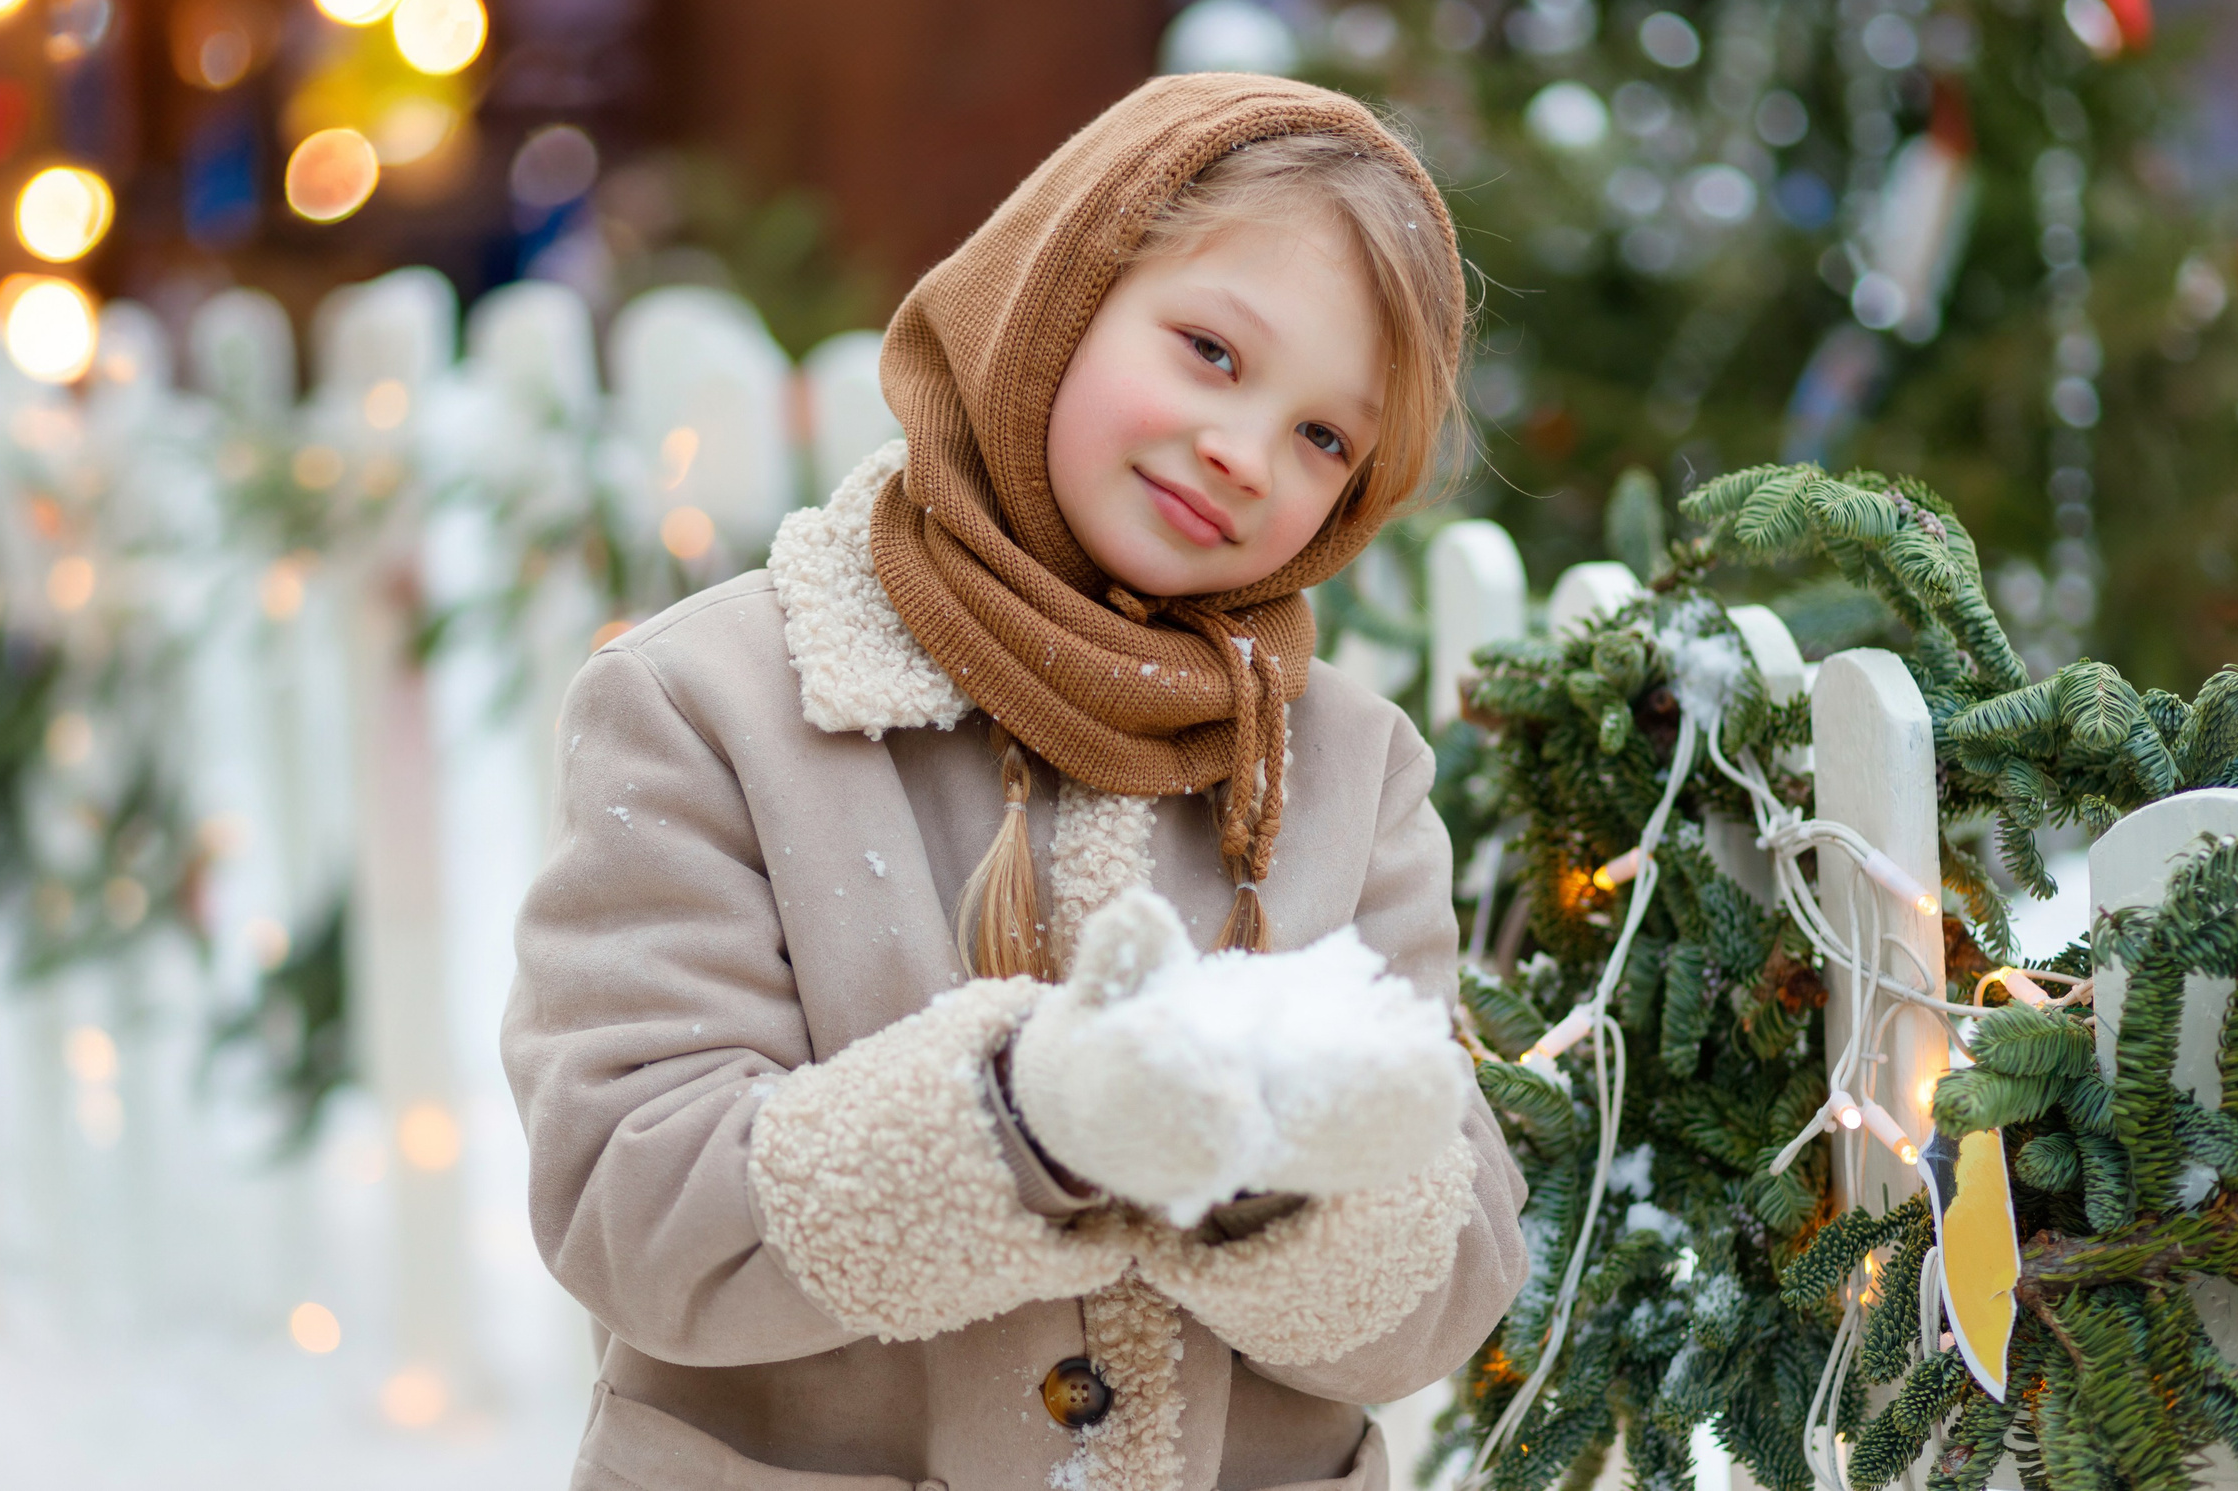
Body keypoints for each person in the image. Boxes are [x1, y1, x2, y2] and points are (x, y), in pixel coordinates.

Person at [503, 73, 1527, 1491]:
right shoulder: (714, 703)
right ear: (1058, 294)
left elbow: (1452, 1272)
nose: (1242, 453)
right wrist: (1027, 1121)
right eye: (1213, 353)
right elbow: (633, 1202)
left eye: (1323, 438)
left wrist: (1256, 1174)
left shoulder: (1345, 772)